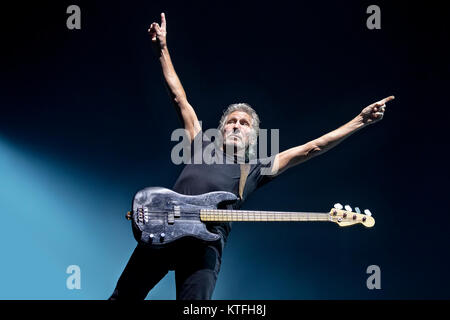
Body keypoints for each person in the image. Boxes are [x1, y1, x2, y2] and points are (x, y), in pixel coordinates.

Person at [109, 12, 394, 300]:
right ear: (220, 130)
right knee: (122, 297)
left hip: (204, 246)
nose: (236, 125)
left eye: (244, 124)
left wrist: (360, 121)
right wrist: (162, 49)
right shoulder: (199, 145)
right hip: (163, 226)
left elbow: (313, 147)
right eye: (232, 121)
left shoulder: (254, 169)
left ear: (252, 137)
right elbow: (179, 97)